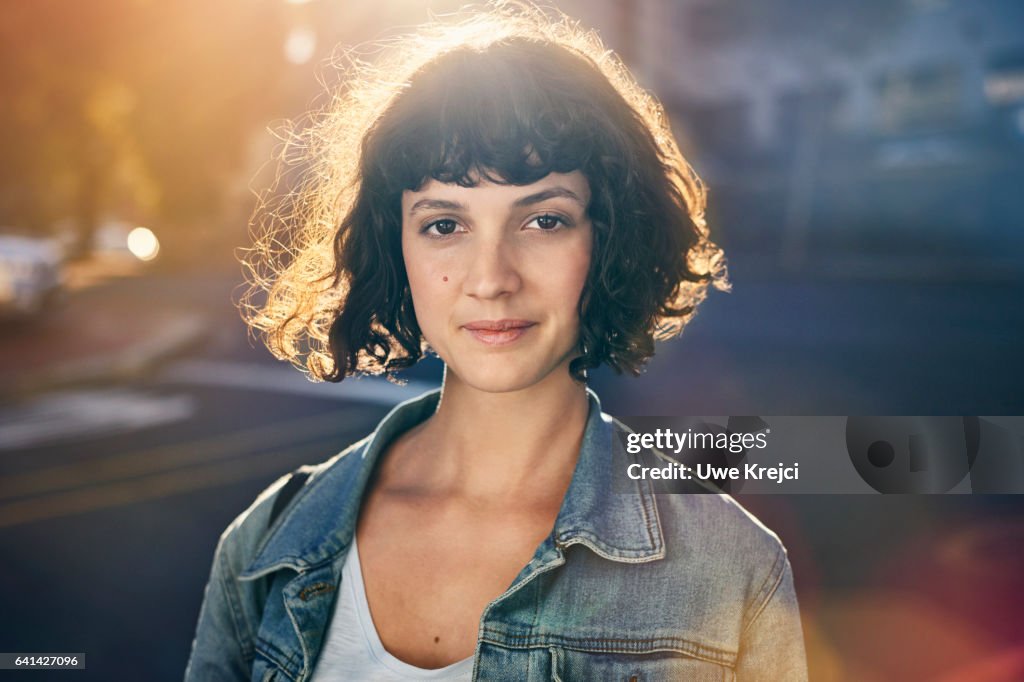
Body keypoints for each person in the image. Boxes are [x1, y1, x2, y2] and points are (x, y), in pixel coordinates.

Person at [185, 3, 808, 680]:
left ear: (609, 240)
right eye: (445, 225)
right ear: (396, 251)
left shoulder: (732, 568)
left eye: (543, 219)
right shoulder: (267, 545)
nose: (491, 279)